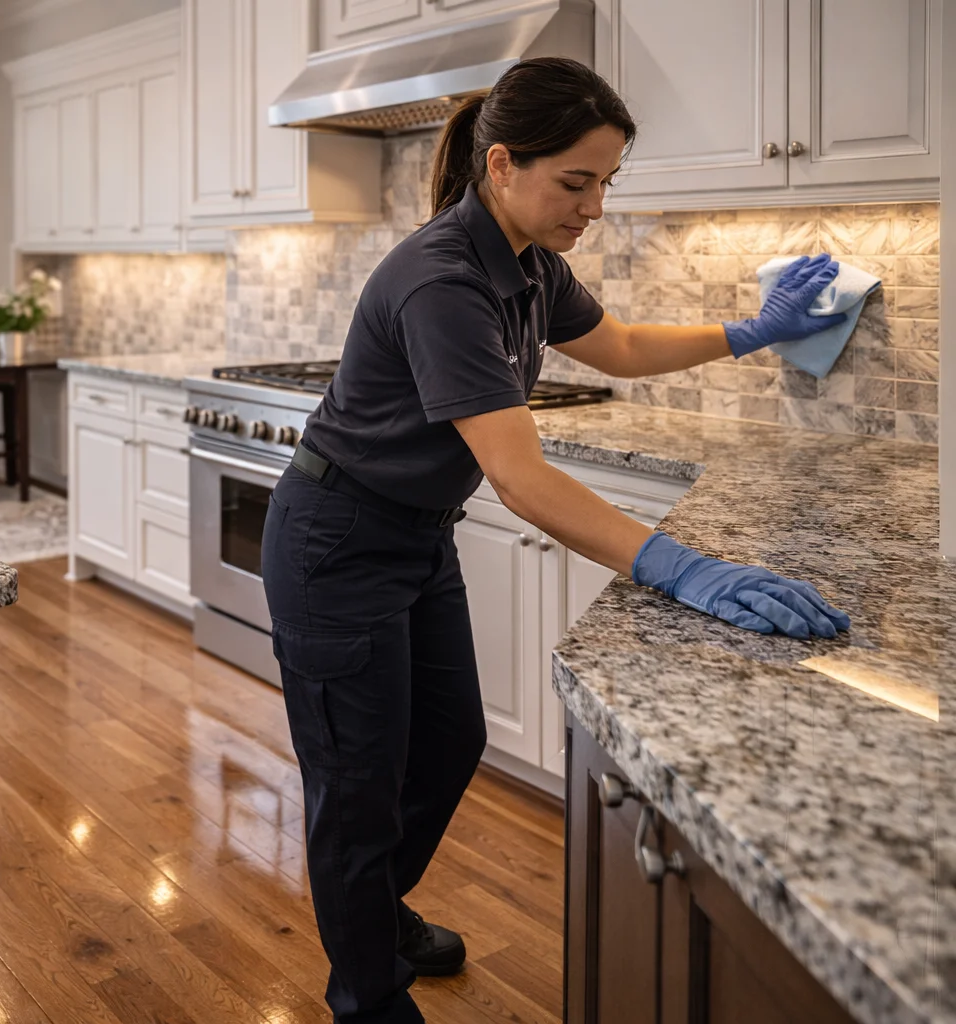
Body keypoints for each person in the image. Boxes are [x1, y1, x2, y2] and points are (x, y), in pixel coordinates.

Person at [260, 56, 851, 1024]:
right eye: (576, 182)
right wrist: (682, 566)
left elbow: (616, 346)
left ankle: (374, 908)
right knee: (355, 783)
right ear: (502, 165)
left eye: (606, 181)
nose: (594, 205)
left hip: (412, 534)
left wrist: (753, 331)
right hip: (338, 542)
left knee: (449, 741)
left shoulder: (528, 263)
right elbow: (519, 473)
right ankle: (365, 991)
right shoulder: (441, 277)